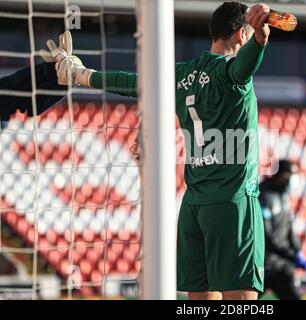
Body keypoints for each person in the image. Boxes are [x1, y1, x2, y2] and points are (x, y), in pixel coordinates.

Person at [46, 2, 273, 300]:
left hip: (193, 207)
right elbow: (245, 65)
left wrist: (81, 74)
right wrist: (261, 38)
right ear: (240, 35)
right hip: (232, 204)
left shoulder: (180, 76)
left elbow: (130, 83)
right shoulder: (231, 75)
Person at [259, 159, 306, 300]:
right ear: (283, 176)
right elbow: (266, 234)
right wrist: (290, 254)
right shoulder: (263, 195)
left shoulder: (283, 196)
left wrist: (297, 250)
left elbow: (288, 227)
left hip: (281, 266)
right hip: (261, 266)